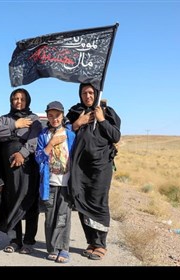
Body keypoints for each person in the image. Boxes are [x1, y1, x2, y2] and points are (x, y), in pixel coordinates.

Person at [66, 83, 121, 261]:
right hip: (80, 167)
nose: (87, 96)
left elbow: (115, 136)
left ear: (96, 93)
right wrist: (77, 123)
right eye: (84, 93)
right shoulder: (76, 111)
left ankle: (101, 244)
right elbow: (63, 133)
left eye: (91, 92)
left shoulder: (108, 112)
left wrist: (102, 119)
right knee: (81, 201)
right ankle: (91, 241)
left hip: (100, 167)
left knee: (98, 203)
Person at [0, 88, 42, 254]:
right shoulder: (5, 119)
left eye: (22, 99)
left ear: (27, 100)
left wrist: (22, 153)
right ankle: (14, 240)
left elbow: (34, 140)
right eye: (15, 98)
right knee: (11, 200)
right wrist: (15, 125)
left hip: (28, 168)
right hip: (9, 169)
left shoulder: (34, 119)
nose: (18, 101)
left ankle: (28, 241)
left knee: (29, 202)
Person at [35, 101, 75, 263]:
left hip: (66, 183)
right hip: (49, 183)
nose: (54, 119)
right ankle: (52, 248)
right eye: (50, 116)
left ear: (62, 115)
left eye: (57, 115)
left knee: (63, 217)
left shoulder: (71, 135)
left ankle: (63, 249)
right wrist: (51, 144)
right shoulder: (43, 136)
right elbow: (38, 158)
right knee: (50, 217)